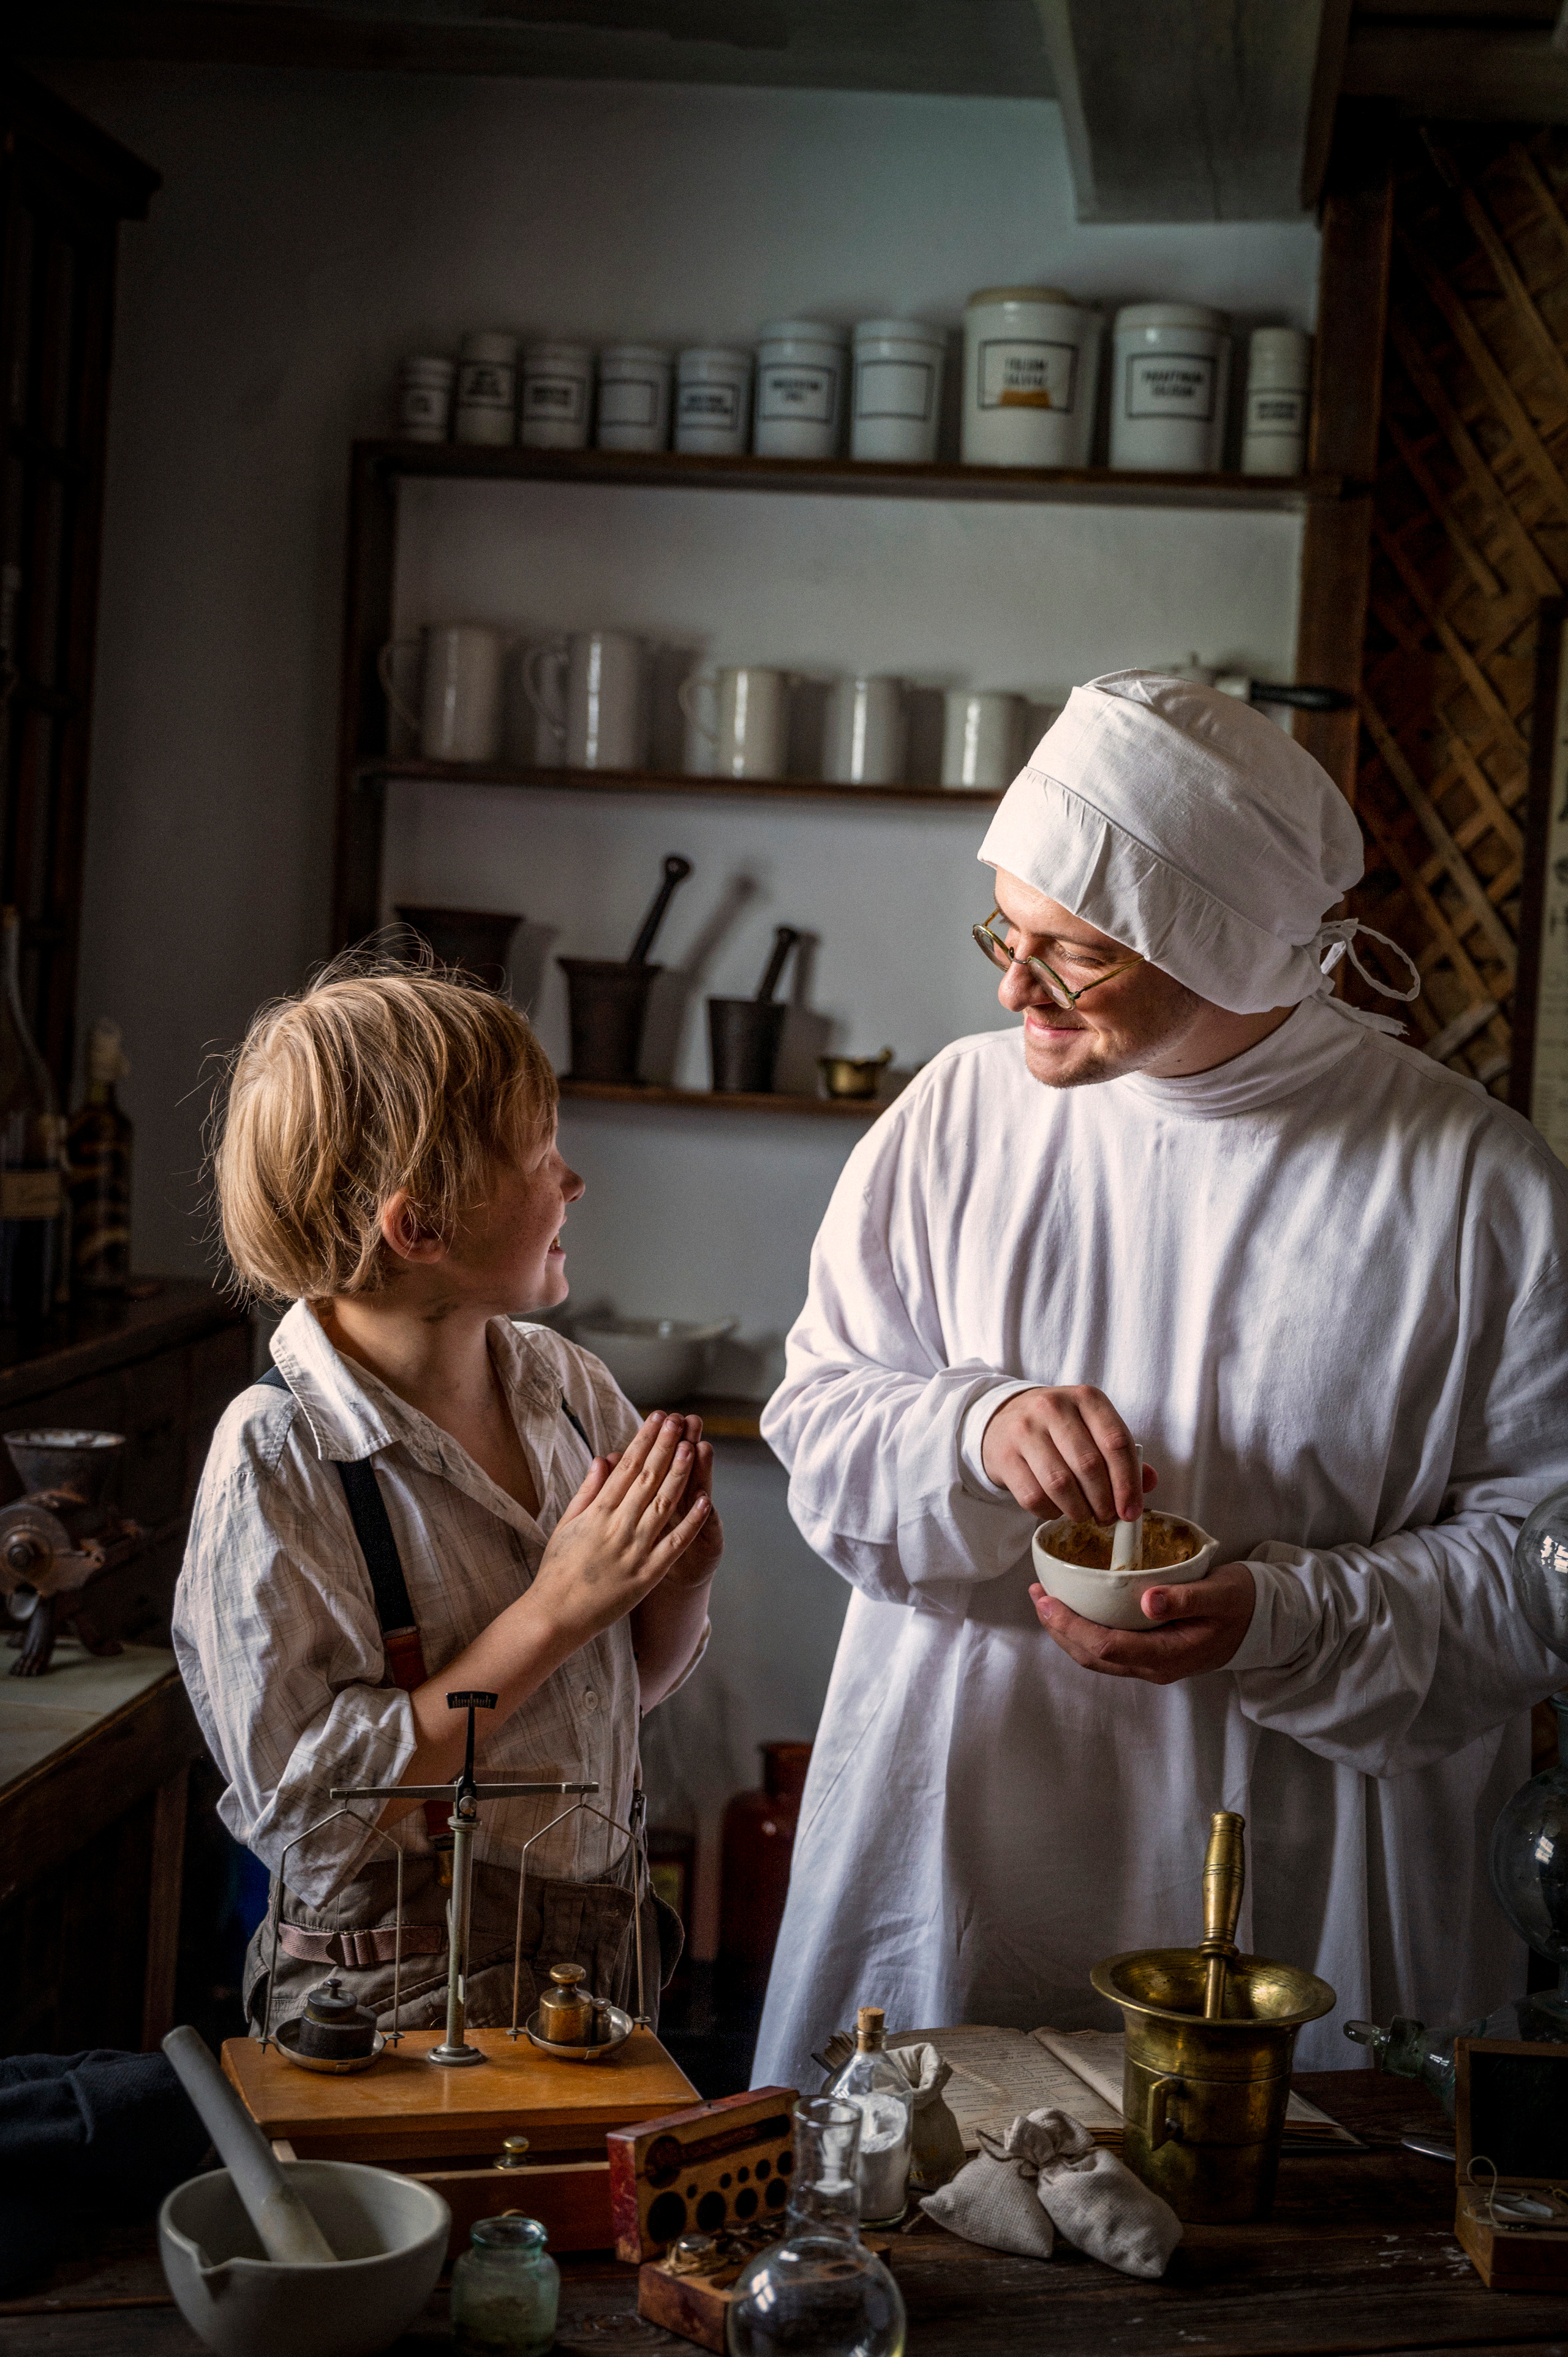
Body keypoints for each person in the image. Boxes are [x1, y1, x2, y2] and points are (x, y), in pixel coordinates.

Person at [753, 670, 1568, 2092]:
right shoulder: (955, 1115)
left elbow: (1543, 1562)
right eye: (1003, 930)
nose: (1012, 986)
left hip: (1310, 1855)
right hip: (967, 1812)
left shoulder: (1468, 1183)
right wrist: (971, 1425)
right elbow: (817, 1420)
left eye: (1071, 955)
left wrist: (1286, 1616)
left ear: (1223, 948)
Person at [174, 959, 720, 2035]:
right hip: (395, 2000)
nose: (574, 1182)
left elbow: (613, 1701)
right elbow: (317, 1820)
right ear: (420, 1226)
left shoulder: (568, 1389)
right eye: (541, 1156)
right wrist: (555, 1608)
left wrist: (674, 1584)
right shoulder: (279, 1456)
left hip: (603, 1961)